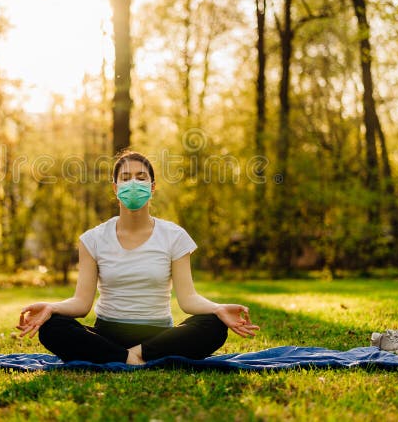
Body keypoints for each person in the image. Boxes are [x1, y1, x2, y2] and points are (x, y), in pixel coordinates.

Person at [16, 150, 260, 365]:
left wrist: (218, 309)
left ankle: (125, 356)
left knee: (214, 326)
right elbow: (81, 304)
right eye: (125, 178)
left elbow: (188, 299)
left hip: (158, 337)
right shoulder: (93, 239)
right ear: (115, 188)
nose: (133, 183)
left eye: (141, 178)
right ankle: (135, 358)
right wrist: (51, 308)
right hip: (106, 334)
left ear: (152, 187)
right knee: (52, 328)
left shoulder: (174, 236)